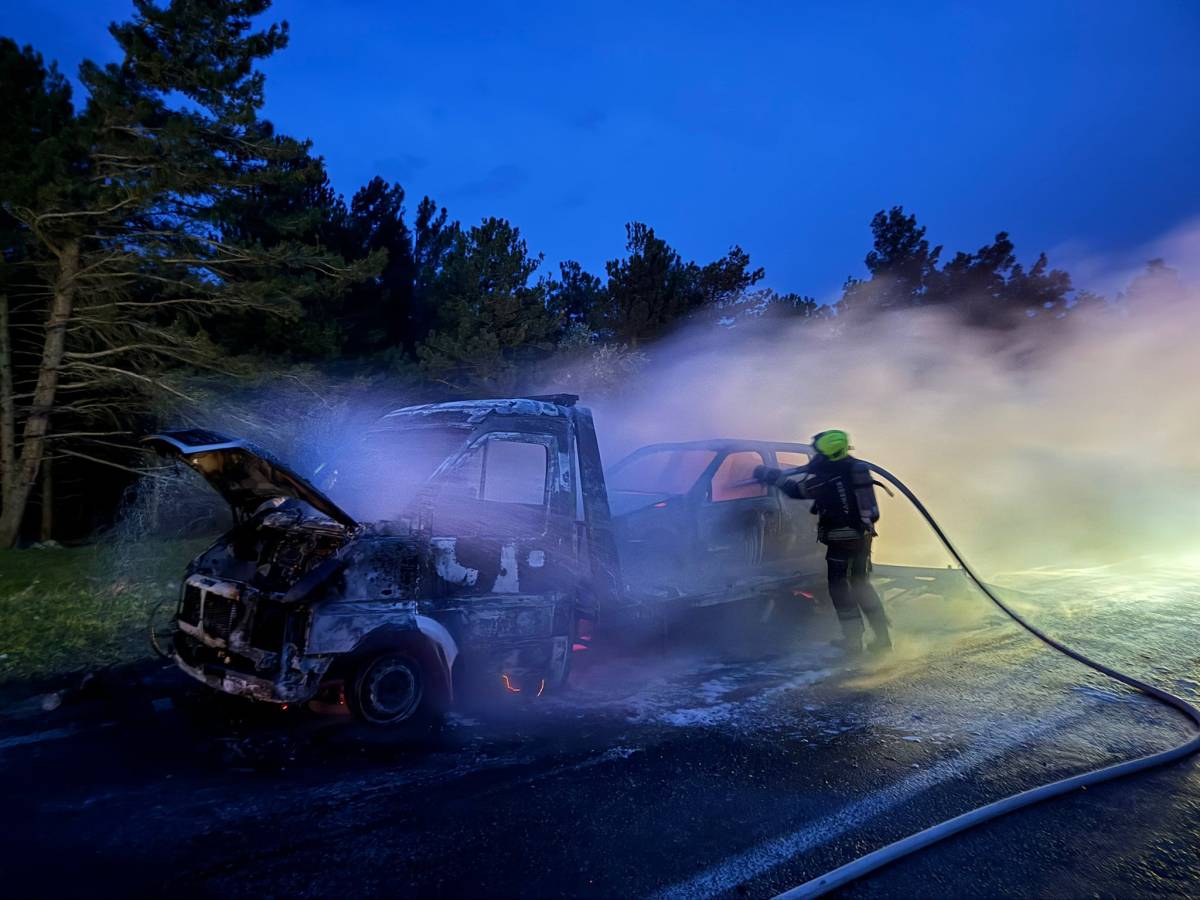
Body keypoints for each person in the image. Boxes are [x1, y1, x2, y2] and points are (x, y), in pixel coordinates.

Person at [753, 430, 891, 655]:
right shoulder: (854, 469)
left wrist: (772, 477)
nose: (816, 457)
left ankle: (853, 642)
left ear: (830, 453)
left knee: (840, 589)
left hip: (842, 540)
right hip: (863, 539)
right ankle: (883, 640)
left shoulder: (831, 477)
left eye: (819, 453)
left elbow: (798, 491)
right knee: (861, 586)